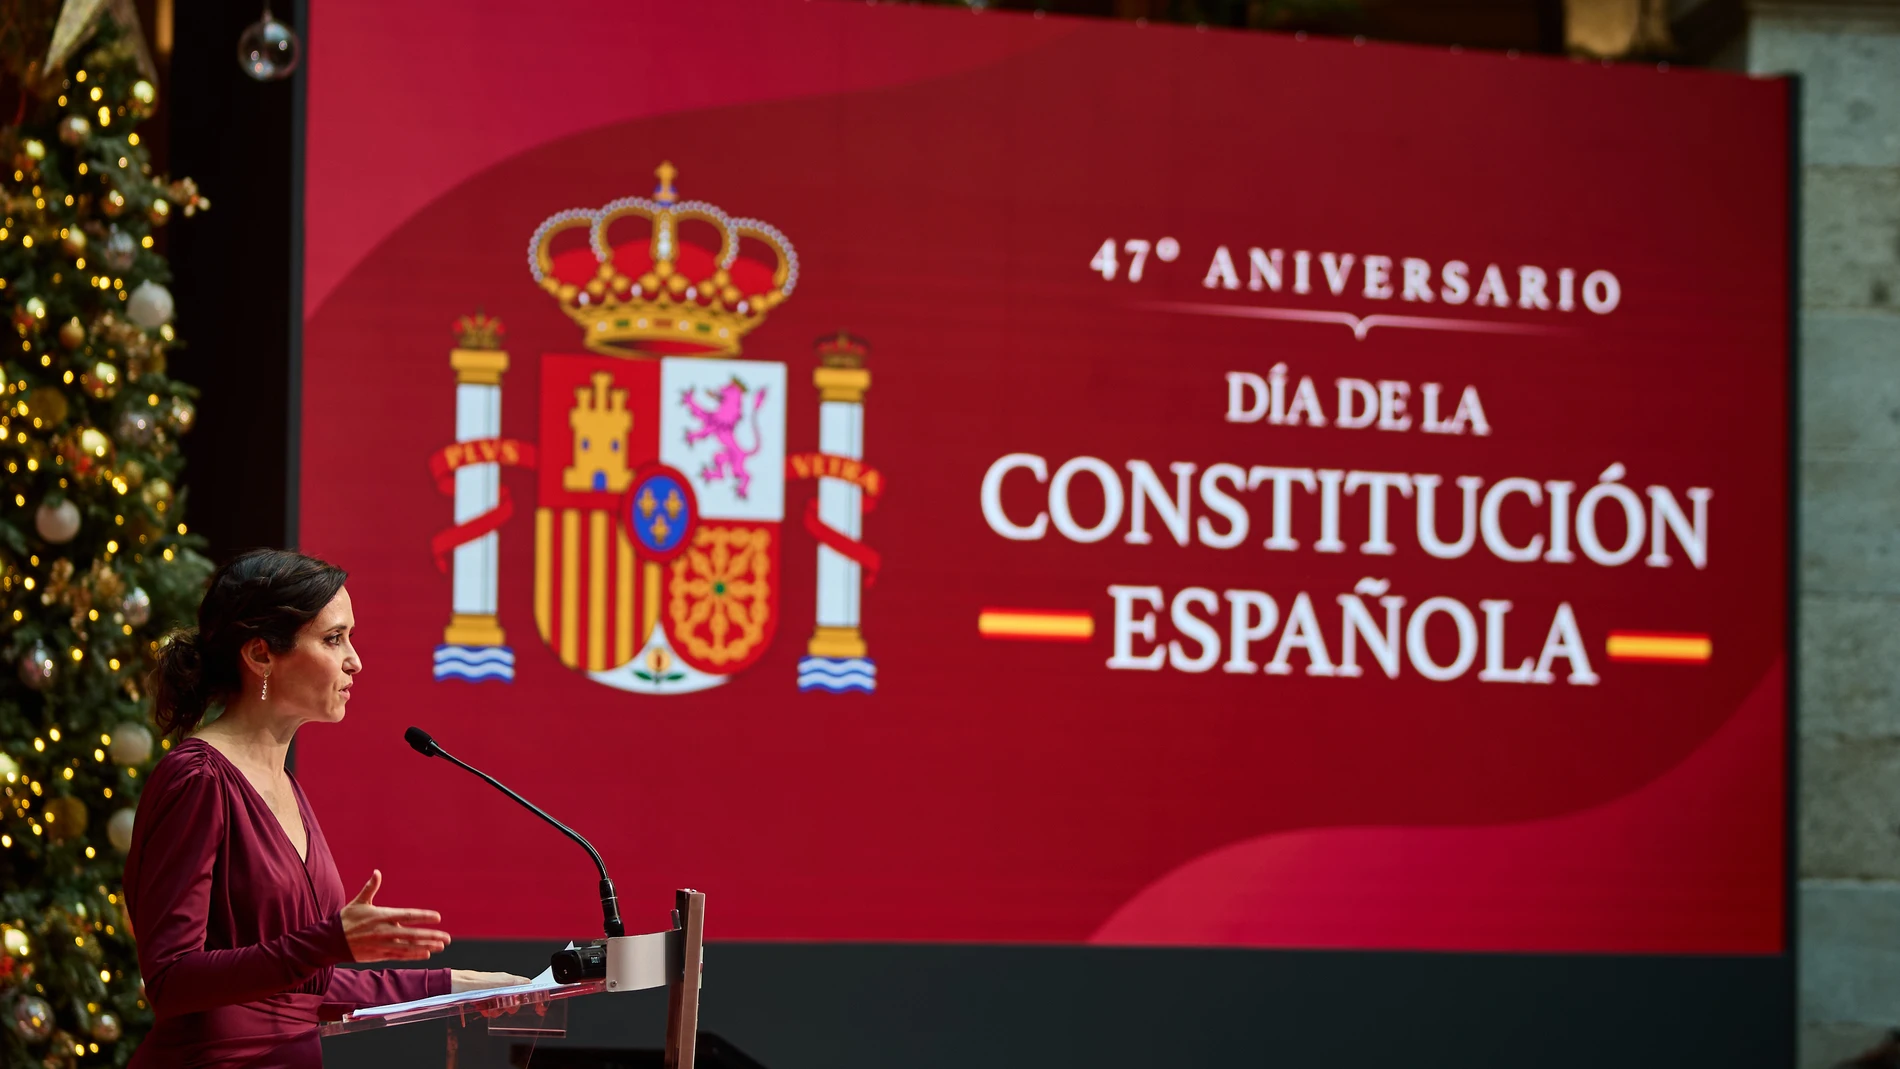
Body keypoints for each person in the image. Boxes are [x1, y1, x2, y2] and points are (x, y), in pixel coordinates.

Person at [125, 549, 526, 1068]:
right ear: (261, 656)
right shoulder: (199, 779)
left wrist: (453, 986)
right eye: (334, 639)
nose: (355, 659)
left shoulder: (285, 784)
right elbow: (170, 980)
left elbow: (299, 987)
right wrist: (326, 941)